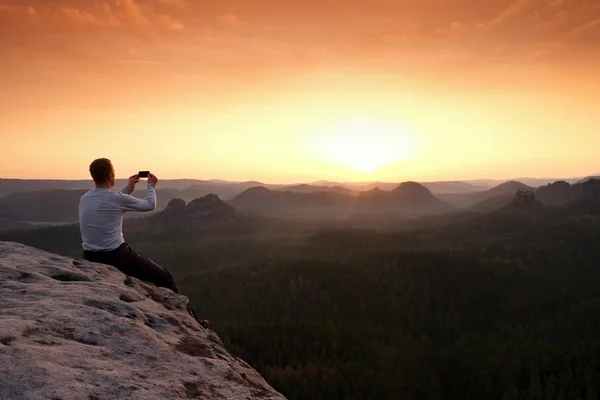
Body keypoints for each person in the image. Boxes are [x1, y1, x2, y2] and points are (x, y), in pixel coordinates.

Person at [78, 158, 181, 293]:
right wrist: (151, 185)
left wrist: (129, 188)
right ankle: (177, 310)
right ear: (110, 176)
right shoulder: (116, 199)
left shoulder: (85, 198)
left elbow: (110, 201)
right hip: (116, 256)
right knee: (166, 278)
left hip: (90, 256)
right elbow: (150, 205)